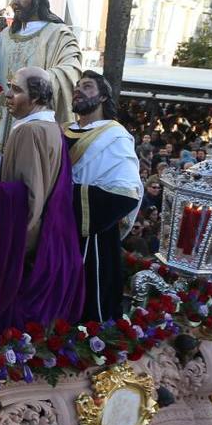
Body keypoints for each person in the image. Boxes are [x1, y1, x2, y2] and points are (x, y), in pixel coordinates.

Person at [0, 66, 83, 330]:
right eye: (9, 86)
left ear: (37, 98)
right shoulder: (48, 126)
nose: (7, 95)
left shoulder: (29, 131)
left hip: (31, 253)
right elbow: (36, 171)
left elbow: (30, 196)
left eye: (16, 90)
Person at [64, 71, 141, 322]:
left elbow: (126, 193)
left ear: (102, 97)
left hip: (93, 237)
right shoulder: (64, 130)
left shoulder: (114, 136)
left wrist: (67, 197)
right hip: (56, 227)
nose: (78, 90)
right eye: (77, 87)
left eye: (86, 87)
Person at [0, 0, 82, 153]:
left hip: (35, 121)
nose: (15, 2)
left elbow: (71, 69)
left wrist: (34, 84)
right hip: (3, 124)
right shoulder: (7, 36)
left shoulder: (58, 34)